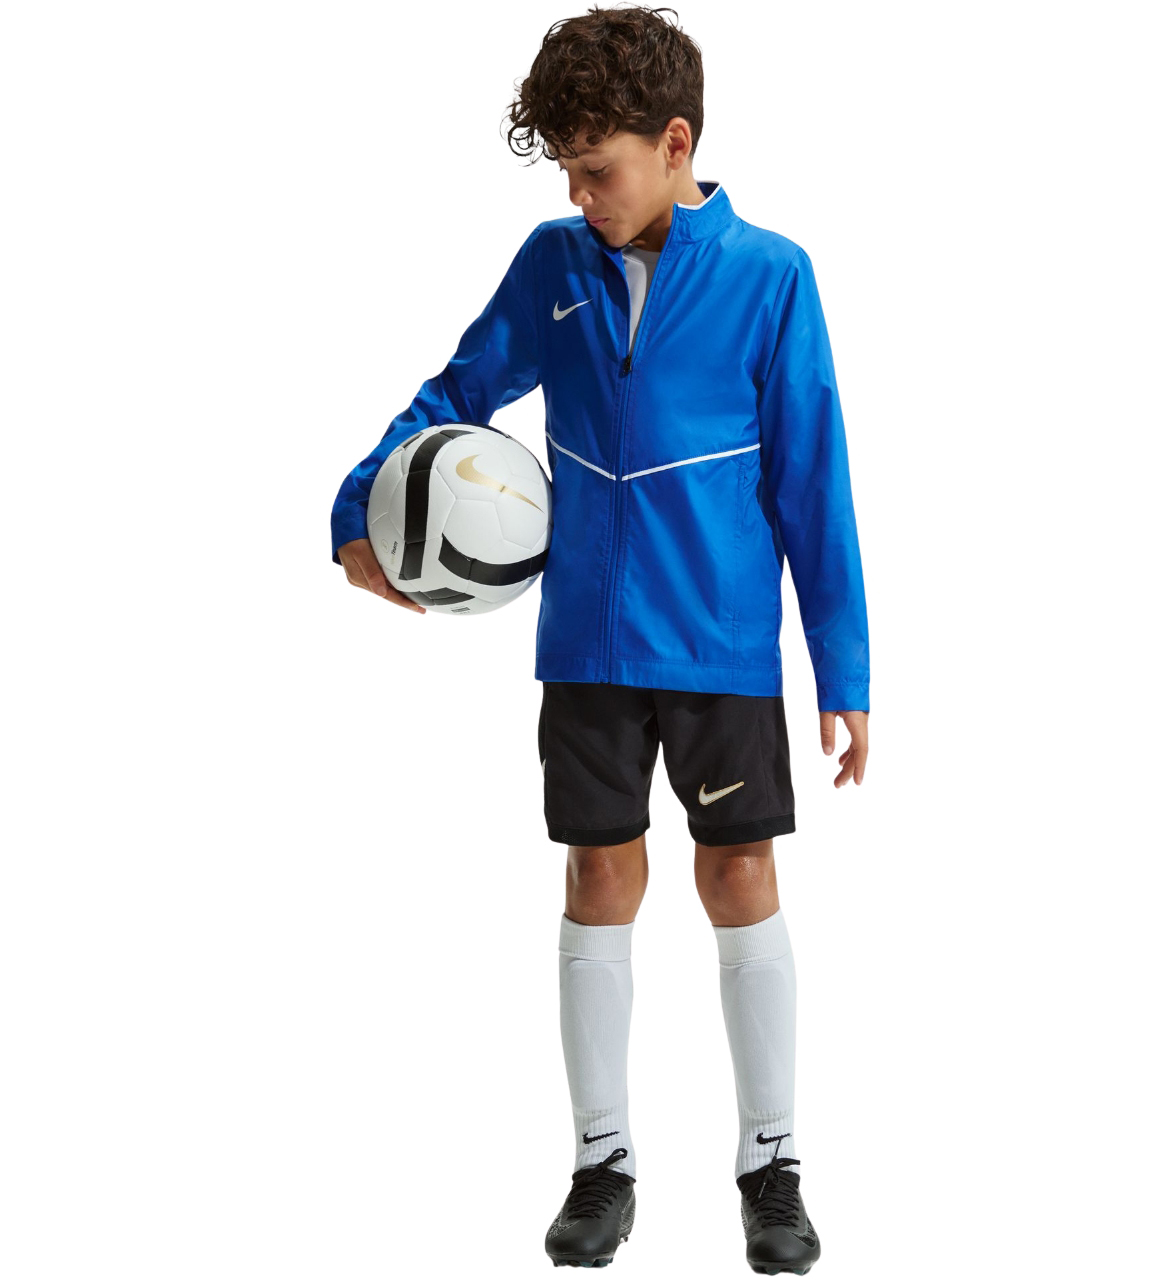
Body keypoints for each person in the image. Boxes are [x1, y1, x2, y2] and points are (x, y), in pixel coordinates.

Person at [330, 6, 869, 1273]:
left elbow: (813, 479)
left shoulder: (771, 275)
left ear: (674, 143)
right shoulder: (551, 265)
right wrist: (354, 512)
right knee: (596, 878)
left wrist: (840, 666)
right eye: (566, 171)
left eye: (596, 169)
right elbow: (454, 393)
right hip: (584, 642)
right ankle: (601, 1160)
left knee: (739, 877)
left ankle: (771, 1163)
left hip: (719, 643)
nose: (579, 196)